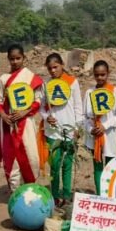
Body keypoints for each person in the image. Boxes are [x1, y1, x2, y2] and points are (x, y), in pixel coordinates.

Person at [0, 44, 44, 190]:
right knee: (11, 158)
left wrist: (25, 112)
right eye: (12, 59)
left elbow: (38, 101)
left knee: (30, 156)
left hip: (26, 123)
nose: (15, 62)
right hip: (8, 124)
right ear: (8, 59)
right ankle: (14, 191)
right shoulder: (4, 79)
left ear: (24, 58)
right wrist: (3, 115)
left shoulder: (31, 78)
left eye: (18, 58)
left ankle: (30, 188)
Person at [42, 53, 83, 208]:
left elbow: (78, 107)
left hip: (69, 130)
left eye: (55, 67)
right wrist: (46, 117)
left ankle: (66, 195)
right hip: (52, 132)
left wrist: (77, 127)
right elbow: (41, 107)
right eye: (50, 68)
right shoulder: (46, 84)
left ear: (62, 65)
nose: (53, 71)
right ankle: (54, 196)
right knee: (54, 165)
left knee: (67, 164)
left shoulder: (72, 82)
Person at [83, 60, 116, 194]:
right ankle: (100, 194)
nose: (100, 78)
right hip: (95, 135)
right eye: (97, 75)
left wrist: (104, 126)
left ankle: (111, 194)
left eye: (103, 75)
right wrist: (91, 129)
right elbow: (85, 117)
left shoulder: (115, 91)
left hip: (109, 134)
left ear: (108, 73)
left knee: (111, 165)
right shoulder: (89, 92)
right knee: (97, 166)